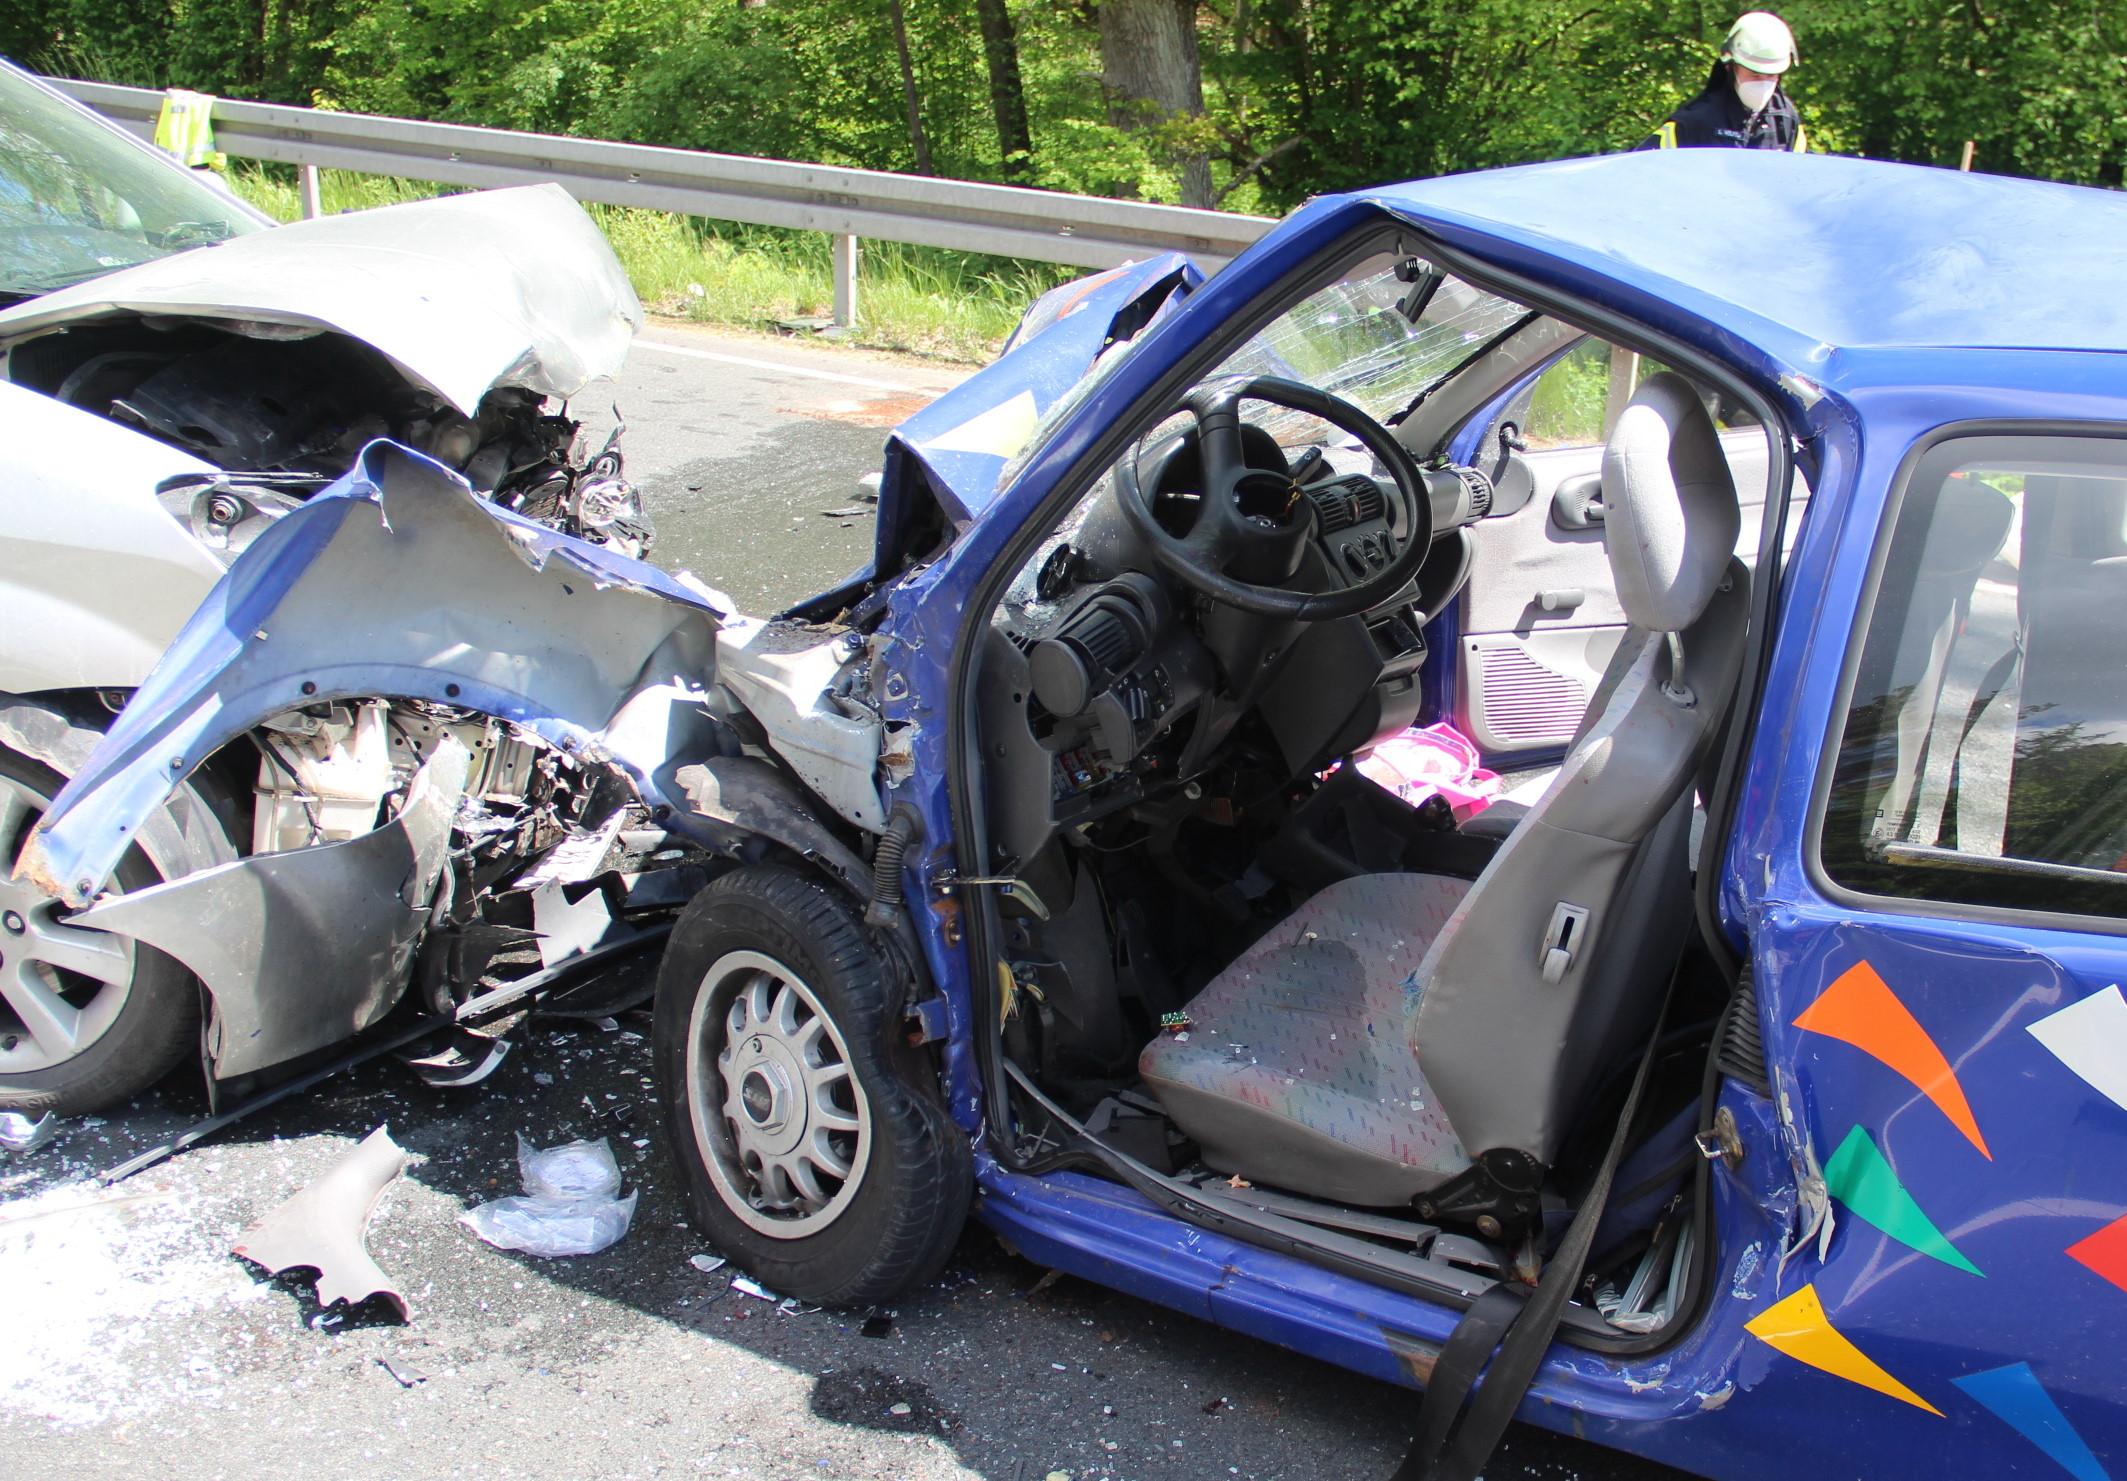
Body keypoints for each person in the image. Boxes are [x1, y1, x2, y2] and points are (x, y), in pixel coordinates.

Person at [1639, 11, 1805, 152]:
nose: (1762, 83)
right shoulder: (1694, 122)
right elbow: (1645, 168)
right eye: (1754, 75)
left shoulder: (1786, 120)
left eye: (1771, 75)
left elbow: (1801, 176)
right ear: (1730, 67)